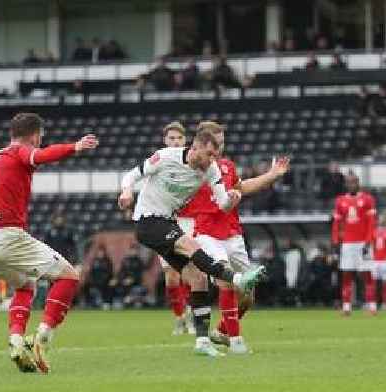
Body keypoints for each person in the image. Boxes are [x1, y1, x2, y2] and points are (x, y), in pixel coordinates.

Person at [0, 113, 99, 373]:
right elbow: (41, 156)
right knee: (69, 277)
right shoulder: (20, 152)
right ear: (35, 136)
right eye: (40, 138)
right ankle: (42, 337)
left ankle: (16, 341)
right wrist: (75, 147)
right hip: (5, 234)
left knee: (25, 287)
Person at [117, 129, 266, 357]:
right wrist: (127, 191)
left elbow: (222, 204)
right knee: (192, 246)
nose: (212, 161)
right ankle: (237, 278)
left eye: (215, 156)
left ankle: (202, 342)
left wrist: (232, 200)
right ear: (195, 149)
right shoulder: (166, 156)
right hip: (148, 221)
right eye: (209, 155)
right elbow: (132, 175)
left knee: (197, 278)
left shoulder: (211, 168)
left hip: (168, 221)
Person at [186, 121, 290, 354]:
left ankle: (223, 331)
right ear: (204, 143)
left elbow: (244, 188)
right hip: (207, 234)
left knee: (248, 295)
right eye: (216, 143)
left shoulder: (227, 166)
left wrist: (272, 175)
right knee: (225, 279)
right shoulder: (190, 167)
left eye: (222, 143)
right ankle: (236, 341)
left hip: (232, 235)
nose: (220, 148)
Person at [157, 122, 196, 335]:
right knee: (171, 277)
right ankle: (179, 316)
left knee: (189, 272)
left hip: (188, 222)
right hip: (164, 221)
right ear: (165, 141)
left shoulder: (191, 161)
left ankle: (190, 314)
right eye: (171, 138)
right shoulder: (158, 161)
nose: (175, 142)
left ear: (185, 141)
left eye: (179, 138)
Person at [332, 172, 377, 315]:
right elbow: (337, 223)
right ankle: (346, 307)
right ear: (346, 184)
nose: (351, 184)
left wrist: (369, 241)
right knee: (346, 275)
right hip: (347, 243)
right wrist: (335, 241)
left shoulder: (368, 199)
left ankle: (372, 306)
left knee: (367, 275)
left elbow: (371, 223)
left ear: (358, 183)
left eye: (354, 182)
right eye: (349, 182)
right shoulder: (340, 201)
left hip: (363, 242)